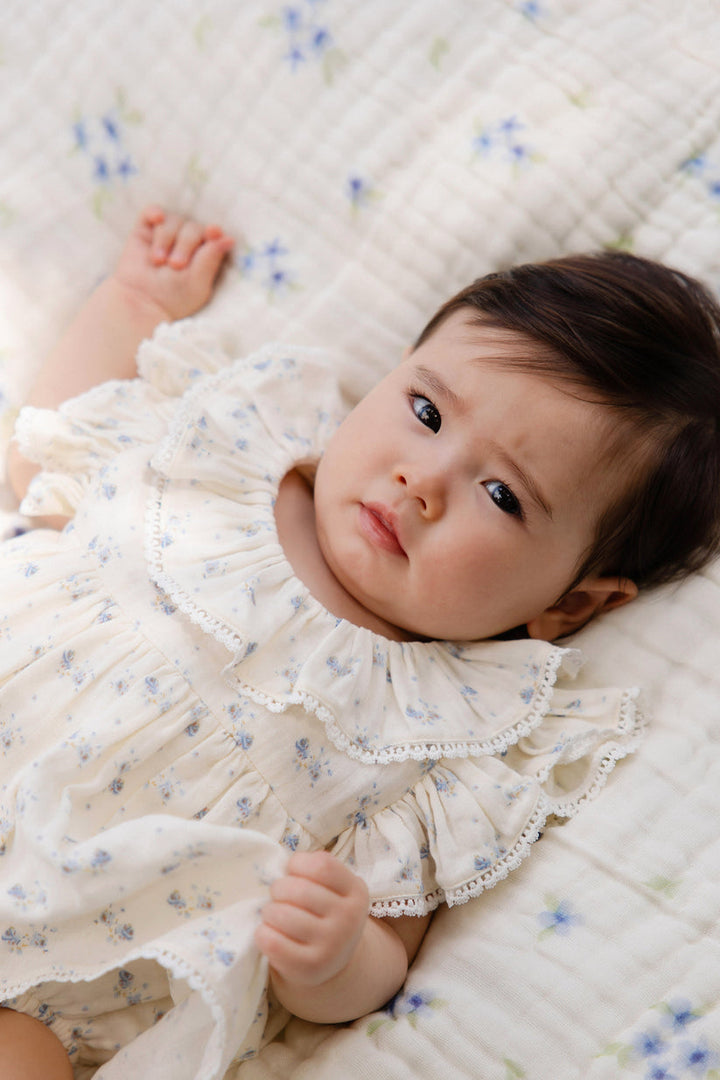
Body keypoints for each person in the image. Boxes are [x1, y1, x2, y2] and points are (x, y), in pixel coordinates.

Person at [1, 206, 719, 1080]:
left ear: (569, 605)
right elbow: (50, 446)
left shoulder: (452, 733)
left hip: (59, 971)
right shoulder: (220, 452)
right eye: (425, 411)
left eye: (502, 497)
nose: (422, 480)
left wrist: (337, 959)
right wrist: (131, 303)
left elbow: (386, 938)